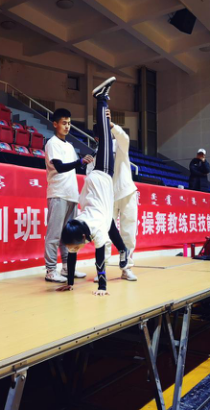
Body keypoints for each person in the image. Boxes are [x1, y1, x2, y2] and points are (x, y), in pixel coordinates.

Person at [59, 76, 129, 296]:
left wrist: (102, 287)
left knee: (106, 138)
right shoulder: (77, 227)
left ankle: (101, 99)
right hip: (92, 188)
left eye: (73, 247)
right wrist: (70, 283)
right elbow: (73, 255)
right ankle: (102, 100)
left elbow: (100, 260)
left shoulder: (95, 231)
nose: (72, 251)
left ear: (82, 238)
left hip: (100, 179)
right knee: (111, 226)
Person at [44, 108, 94, 283]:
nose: (67, 126)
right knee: (54, 234)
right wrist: (79, 161)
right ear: (55, 124)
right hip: (58, 193)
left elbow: (76, 166)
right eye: (64, 123)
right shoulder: (52, 144)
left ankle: (66, 267)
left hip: (72, 195)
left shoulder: (70, 146)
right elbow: (59, 167)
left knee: (68, 234)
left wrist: (87, 161)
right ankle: (51, 270)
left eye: (69, 123)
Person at [88, 111, 138, 281]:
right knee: (105, 234)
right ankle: (102, 270)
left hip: (127, 193)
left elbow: (124, 138)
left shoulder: (119, 144)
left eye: (108, 132)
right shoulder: (94, 158)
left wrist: (112, 125)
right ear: (97, 138)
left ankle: (126, 269)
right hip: (107, 200)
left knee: (128, 233)